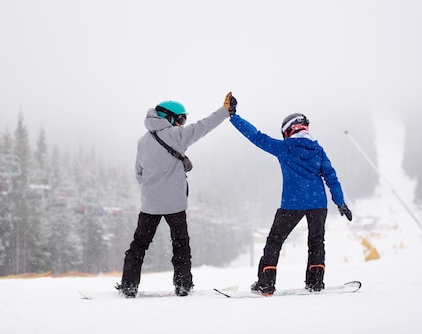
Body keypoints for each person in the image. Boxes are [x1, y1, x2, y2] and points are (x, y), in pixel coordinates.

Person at [116, 93, 234, 298]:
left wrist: (152, 191)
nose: (182, 124)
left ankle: (129, 286)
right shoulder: (177, 136)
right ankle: (183, 286)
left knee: (139, 246)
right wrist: (225, 111)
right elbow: (204, 125)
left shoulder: (142, 141)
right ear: (169, 118)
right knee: (180, 245)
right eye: (181, 119)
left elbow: (138, 172)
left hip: (149, 205)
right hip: (175, 205)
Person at [229, 102, 352, 294]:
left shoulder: (284, 147)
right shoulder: (318, 149)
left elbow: (256, 136)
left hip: (292, 203)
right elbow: (331, 176)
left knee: (275, 241)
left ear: (288, 131)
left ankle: (266, 283)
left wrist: (234, 117)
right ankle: (315, 282)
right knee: (317, 241)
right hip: (318, 203)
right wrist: (340, 202)